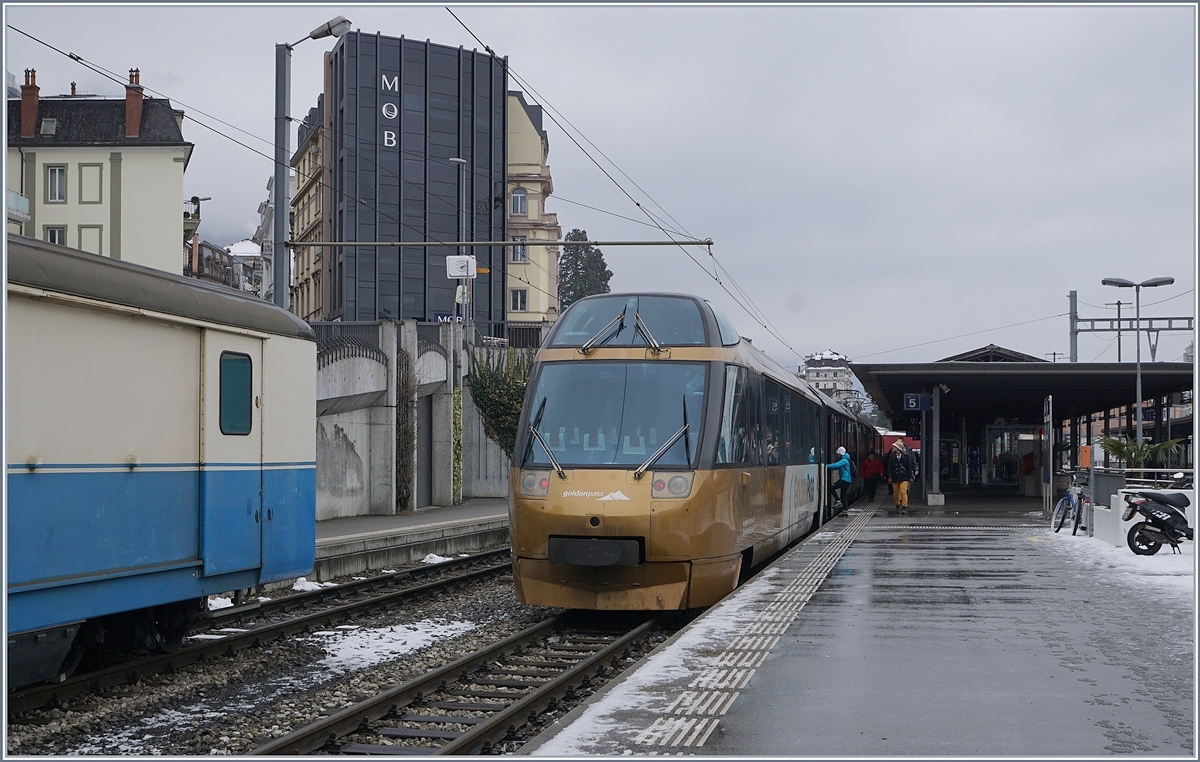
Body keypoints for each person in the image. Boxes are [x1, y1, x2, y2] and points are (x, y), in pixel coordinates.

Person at [886, 440, 918, 514]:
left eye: (894, 447)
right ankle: (897, 504)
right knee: (896, 493)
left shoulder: (906, 457)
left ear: (898, 448)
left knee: (903, 491)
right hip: (895, 477)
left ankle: (904, 506)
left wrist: (910, 477)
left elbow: (909, 467)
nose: (893, 448)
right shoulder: (892, 457)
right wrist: (889, 477)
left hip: (904, 477)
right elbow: (889, 468)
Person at [826, 446, 852, 511]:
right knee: (843, 495)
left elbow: (836, 465)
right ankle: (845, 510)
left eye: (838, 454)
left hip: (844, 479)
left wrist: (825, 466)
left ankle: (838, 501)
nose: (837, 455)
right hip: (848, 480)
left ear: (840, 454)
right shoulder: (846, 460)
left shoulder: (844, 461)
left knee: (831, 487)